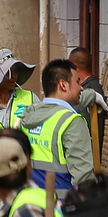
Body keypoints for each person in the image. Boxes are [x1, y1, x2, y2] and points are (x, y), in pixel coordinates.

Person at [18, 58, 94, 190]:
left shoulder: (28, 117)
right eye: (77, 81)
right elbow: (83, 179)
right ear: (63, 85)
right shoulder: (72, 122)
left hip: (29, 202)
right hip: (61, 206)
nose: (81, 87)